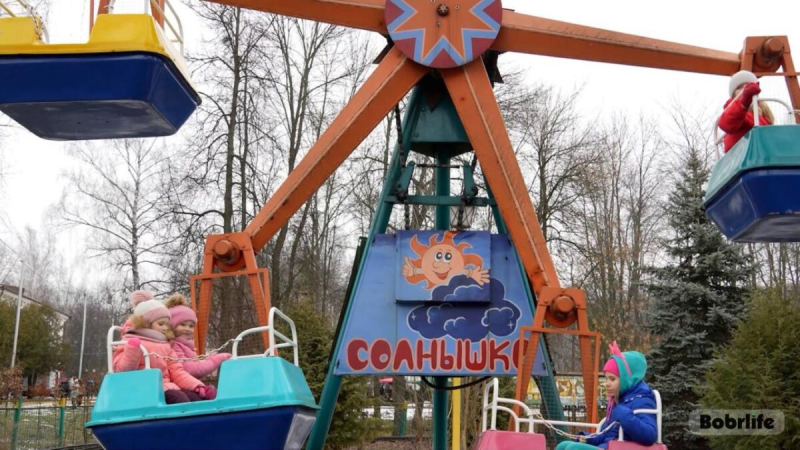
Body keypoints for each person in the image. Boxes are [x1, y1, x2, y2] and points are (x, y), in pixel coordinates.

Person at [113, 290, 216, 404]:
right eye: (161, 324)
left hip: (166, 387)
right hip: (143, 389)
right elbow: (122, 370)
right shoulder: (130, 341)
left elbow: (177, 372)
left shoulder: (165, 345)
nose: (165, 328)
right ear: (146, 323)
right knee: (179, 399)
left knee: (195, 398)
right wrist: (132, 350)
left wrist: (196, 386)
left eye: (167, 324)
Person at [556, 341, 658, 450]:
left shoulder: (642, 399)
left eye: (612, 379)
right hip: (608, 446)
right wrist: (587, 438)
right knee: (563, 446)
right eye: (606, 378)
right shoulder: (619, 401)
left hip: (622, 448)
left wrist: (623, 414)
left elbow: (649, 435)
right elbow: (606, 435)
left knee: (573, 448)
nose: (607, 384)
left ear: (626, 379)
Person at [165, 294, 231, 379]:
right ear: (171, 325)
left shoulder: (185, 345)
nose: (187, 329)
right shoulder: (173, 345)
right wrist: (216, 360)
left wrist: (210, 358)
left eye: (191, 326)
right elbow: (191, 370)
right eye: (183, 324)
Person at [718, 70, 775, 153]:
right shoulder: (733, 111)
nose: (744, 89)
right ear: (734, 95)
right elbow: (726, 123)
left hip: (761, 153)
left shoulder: (763, 114)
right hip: (741, 155)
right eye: (739, 87)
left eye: (748, 86)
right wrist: (744, 103)